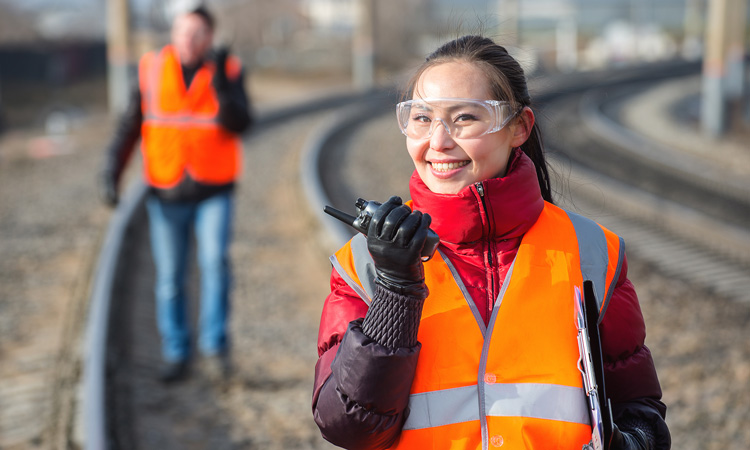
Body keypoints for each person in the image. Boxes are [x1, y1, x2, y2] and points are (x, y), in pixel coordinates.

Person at [312, 35, 670, 449]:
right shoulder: (362, 263)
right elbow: (348, 428)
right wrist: (396, 291)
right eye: (422, 118)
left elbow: (639, 412)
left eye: (464, 118)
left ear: (519, 127)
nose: (439, 141)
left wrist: (633, 441)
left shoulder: (593, 252)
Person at [100, 5, 252, 383]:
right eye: (184, 32)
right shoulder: (151, 68)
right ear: (173, 33)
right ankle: (177, 352)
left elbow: (241, 123)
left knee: (214, 264)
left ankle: (215, 348)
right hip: (166, 190)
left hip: (214, 189)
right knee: (170, 277)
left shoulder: (228, 70)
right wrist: (111, 172)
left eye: (199, 34)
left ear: (209, 37)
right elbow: (129, 125)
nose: (190, 40)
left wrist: (220, 83)